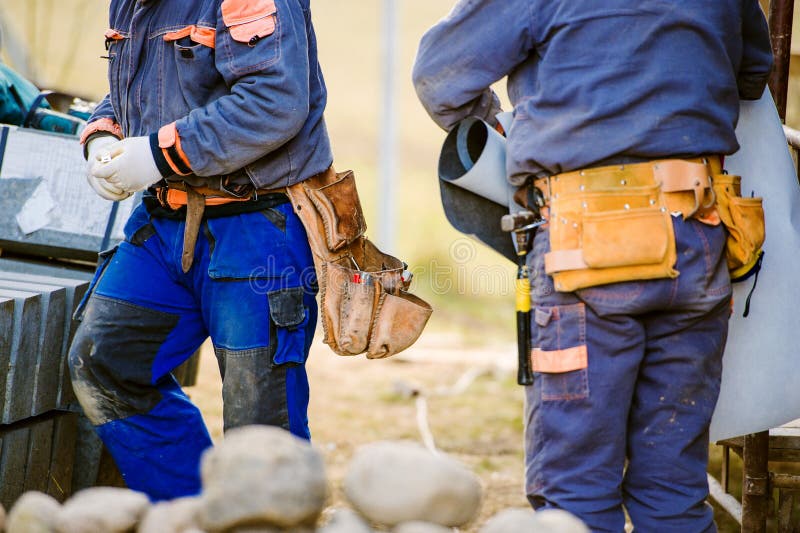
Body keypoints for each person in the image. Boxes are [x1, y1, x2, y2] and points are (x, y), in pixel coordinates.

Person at [413, 2, 773, 531]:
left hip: (586, 247)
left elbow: (439, 75)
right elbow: (753, 72)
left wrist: (506, 125)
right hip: (697, 233)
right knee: (673, 490)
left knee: (575, 491)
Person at [69, 0, 330, 501]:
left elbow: (275, 99)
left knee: (260, 422)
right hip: (163, 222)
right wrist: (104, 135)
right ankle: (187, 513)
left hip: (256, 223)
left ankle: (260, 521)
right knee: (104, 362)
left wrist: (156, 153)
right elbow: (145, 85)